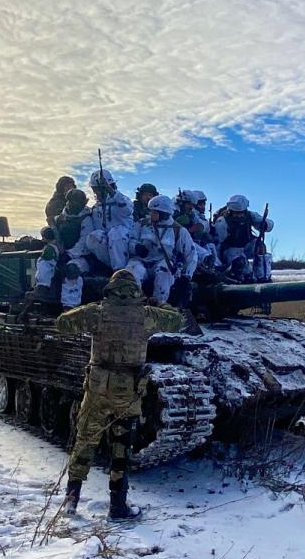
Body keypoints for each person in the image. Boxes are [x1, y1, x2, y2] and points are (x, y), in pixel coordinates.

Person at [56, 270, 184, 520]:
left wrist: (88, 309)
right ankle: (118, 506)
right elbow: (178, 321)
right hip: (128, 393)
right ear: (136, 290)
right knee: (121, 448)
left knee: (85, 441)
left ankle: (71, 500)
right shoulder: (147, 316)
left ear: (110, 289)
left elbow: (62, 324)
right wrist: (160, 303)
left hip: (97, 388)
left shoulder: (97, 312)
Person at [127, 195, 199, 305]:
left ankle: (158, 305)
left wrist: (186, 276)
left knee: (164, 273)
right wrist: (136, 248)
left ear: (164, 214)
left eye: (155, 212)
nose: (151, 214)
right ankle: (131, 303)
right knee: (132, 271)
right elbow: (130, 240)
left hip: (163, 262)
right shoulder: (142, 224)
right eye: (151, 211)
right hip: (141, 260)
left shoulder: (178, 230)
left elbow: (191, 254)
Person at [70, 169, 135, 273]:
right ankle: (113, 269)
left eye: (100, 189)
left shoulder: (122, 201)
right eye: (95, 189)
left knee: (116, 233)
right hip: (108, 250)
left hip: (125, 244)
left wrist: (110, 191)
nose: (97, 192)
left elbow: (127, 209)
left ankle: (121, 272)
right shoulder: (95, 208)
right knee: (93, 236)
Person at [212, 194, 273, 282]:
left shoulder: (250, 215)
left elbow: (268, 224)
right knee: (242, 263)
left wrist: (265, 225)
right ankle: (244, 277)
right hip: (230, 250)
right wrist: (218, 263)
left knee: (261, 246)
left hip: (246, 246)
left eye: (240, 213)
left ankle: (263, 276)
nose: (238, 215)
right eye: (236, 213)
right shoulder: (222, 222)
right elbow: (218, 243)